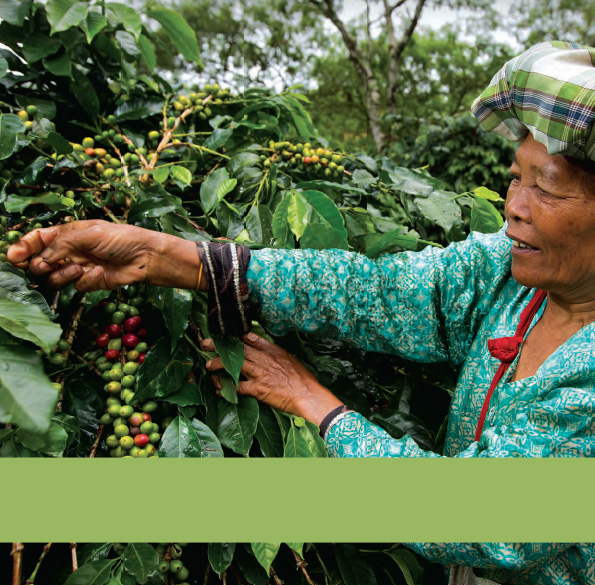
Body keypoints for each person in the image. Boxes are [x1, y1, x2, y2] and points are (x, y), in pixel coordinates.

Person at [7, 41, 595, 585]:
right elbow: (373, 292)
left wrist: (317, 404)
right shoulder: (507, 277)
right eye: (515, 178)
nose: (514, 207)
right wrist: (166, 257)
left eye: (546, 188)